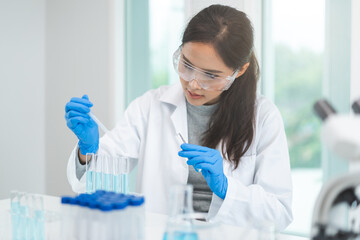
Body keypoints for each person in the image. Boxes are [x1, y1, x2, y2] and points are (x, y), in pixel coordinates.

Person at [65, 4, 293, 230]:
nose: (193, 83)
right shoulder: (150, 106)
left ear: (239, 71)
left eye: (210, 75)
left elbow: (279, 213)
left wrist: (226, 188)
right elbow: (100, 179)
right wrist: (88, 150)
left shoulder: (263, 117)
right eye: (187, 65)